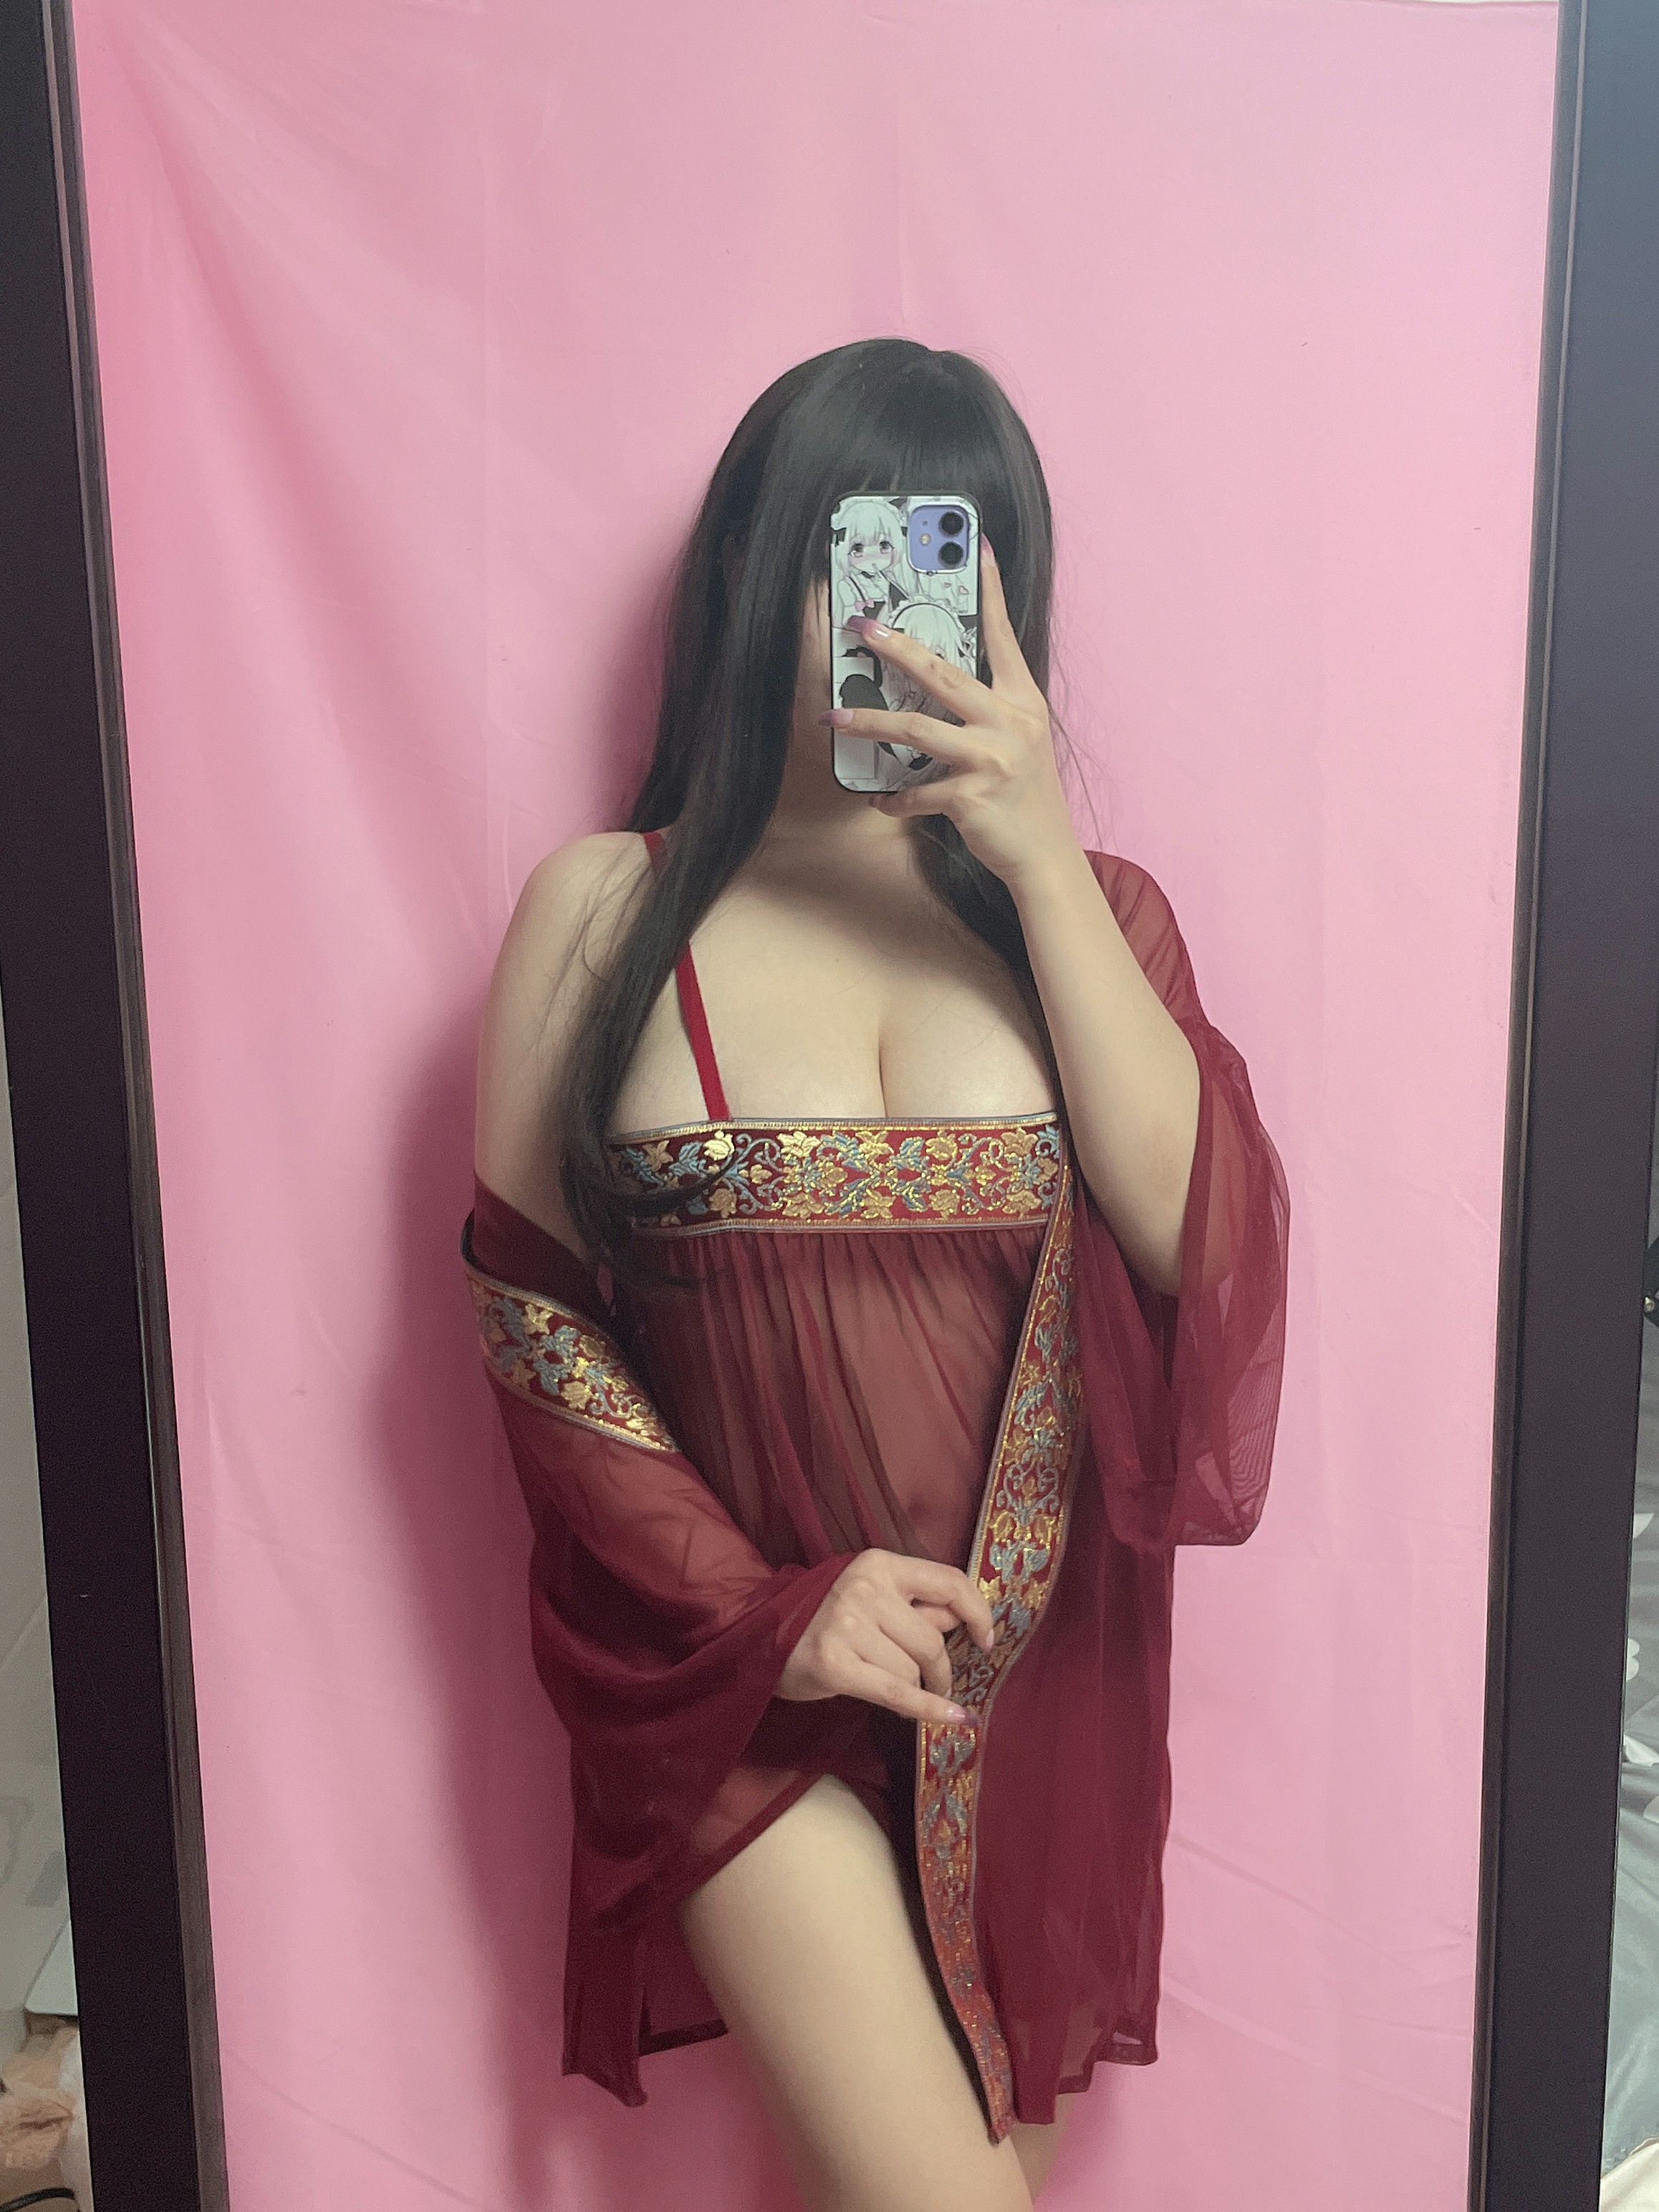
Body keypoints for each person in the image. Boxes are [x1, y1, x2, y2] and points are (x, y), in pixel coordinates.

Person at [467, 338, 1289, 2212]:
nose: (881, 620)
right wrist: (767, 1612)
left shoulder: (1095, 918)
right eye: (848, 553)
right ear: (755, 564)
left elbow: (1204, 1251)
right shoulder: (604, 910)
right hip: (736, 1679)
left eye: (938, 560)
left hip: (1034, 1689)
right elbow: (528, 1318)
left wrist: (1034, 853)